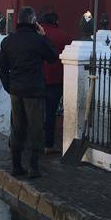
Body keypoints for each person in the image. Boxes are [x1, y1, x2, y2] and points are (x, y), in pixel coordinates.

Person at [0, 7, 58, 179]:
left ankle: (16, 165)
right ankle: (33, 166)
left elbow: (1, 67)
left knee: (17, 126)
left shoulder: (8, 41)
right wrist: (44, 35)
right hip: (34, 90)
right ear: (33, 22)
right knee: (36, 127)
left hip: (16, 90)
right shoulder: (38, 41)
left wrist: (8, 86)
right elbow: (53, 56)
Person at [39, 10, 73, 153]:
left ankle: (33, 142)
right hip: (56, 81)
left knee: (35, 112)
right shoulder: (64, 36)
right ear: (56, 21)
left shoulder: (36, 35)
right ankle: (48, 145)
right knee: (51, 114)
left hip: (37, 79)